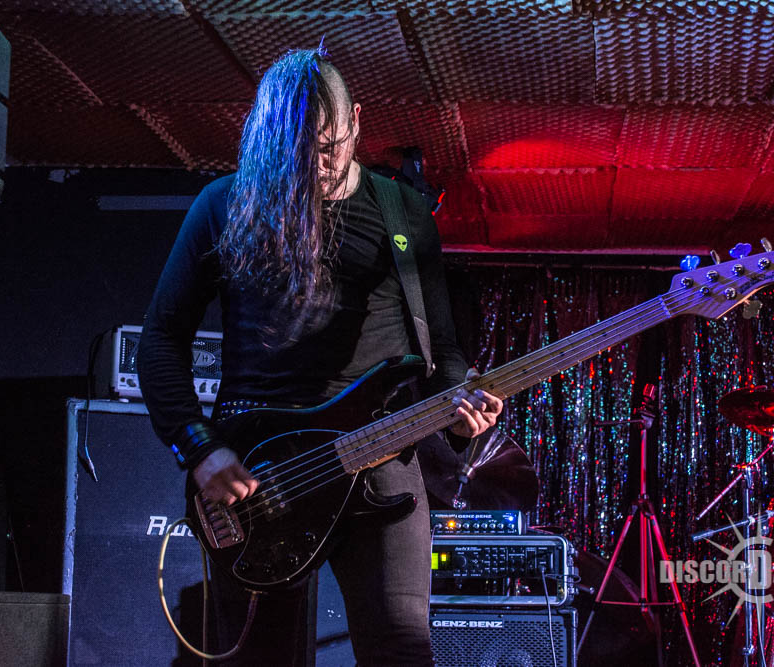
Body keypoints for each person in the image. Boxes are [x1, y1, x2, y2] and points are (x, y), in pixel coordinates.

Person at [137, 48, 502, 666]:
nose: (318, 166)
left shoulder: (403, 212)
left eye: (330, 146)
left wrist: (463, 412)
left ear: (356, 121)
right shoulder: (224, 204)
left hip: (380, 457)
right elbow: (160, 340)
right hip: (259, 471)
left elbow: (442, 348)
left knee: (402, 652)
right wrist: (200, 449)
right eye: (299, 153)